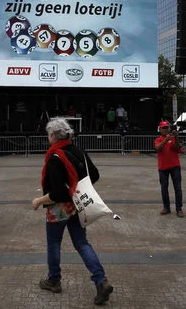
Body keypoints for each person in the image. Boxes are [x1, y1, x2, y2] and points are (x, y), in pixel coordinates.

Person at [32, 118, 114, 305]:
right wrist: (77, 189)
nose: (48, 138)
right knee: (82, 243)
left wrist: (38, 200)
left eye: (48, 135)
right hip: (77, 206)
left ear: (53, 135)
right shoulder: (78, 151)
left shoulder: (55, 158)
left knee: (53, 242)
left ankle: (54, 280)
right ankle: (101, 281)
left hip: (59, 209)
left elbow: (58, 193)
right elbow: (94, 175)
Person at [154, 121, 185, 217]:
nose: (165, 129)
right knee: (164, 188)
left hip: (175, 166)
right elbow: (158, 148)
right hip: (163, 167)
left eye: (167, 127)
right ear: (160, 129)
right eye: (163, 128)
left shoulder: (172, 138)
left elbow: (178, 148)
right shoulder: (158, 140)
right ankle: (166, 207)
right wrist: (165, 140)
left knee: (178, 188)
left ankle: (179, 209)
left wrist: (175, 137)